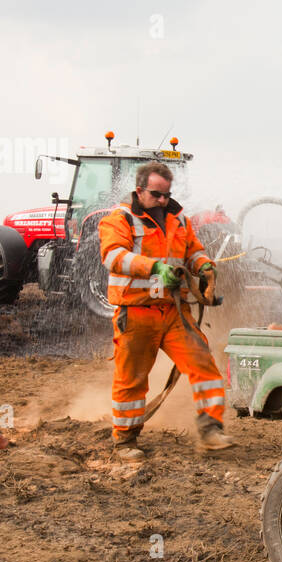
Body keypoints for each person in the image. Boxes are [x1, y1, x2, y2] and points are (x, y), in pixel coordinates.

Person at [97, 161, 236, 461]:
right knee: (131, 378)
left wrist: (205, 266)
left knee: (203, 365)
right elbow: (113, 256)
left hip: (174, 312)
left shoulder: (179, 219)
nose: (163, 201)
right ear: (139, 190)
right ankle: (125, 441)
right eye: (156, 195)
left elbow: (193, 251)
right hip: (135, 312)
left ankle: (211, 430)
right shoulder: (118, 219)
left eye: (166, 195)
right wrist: (155, 268)